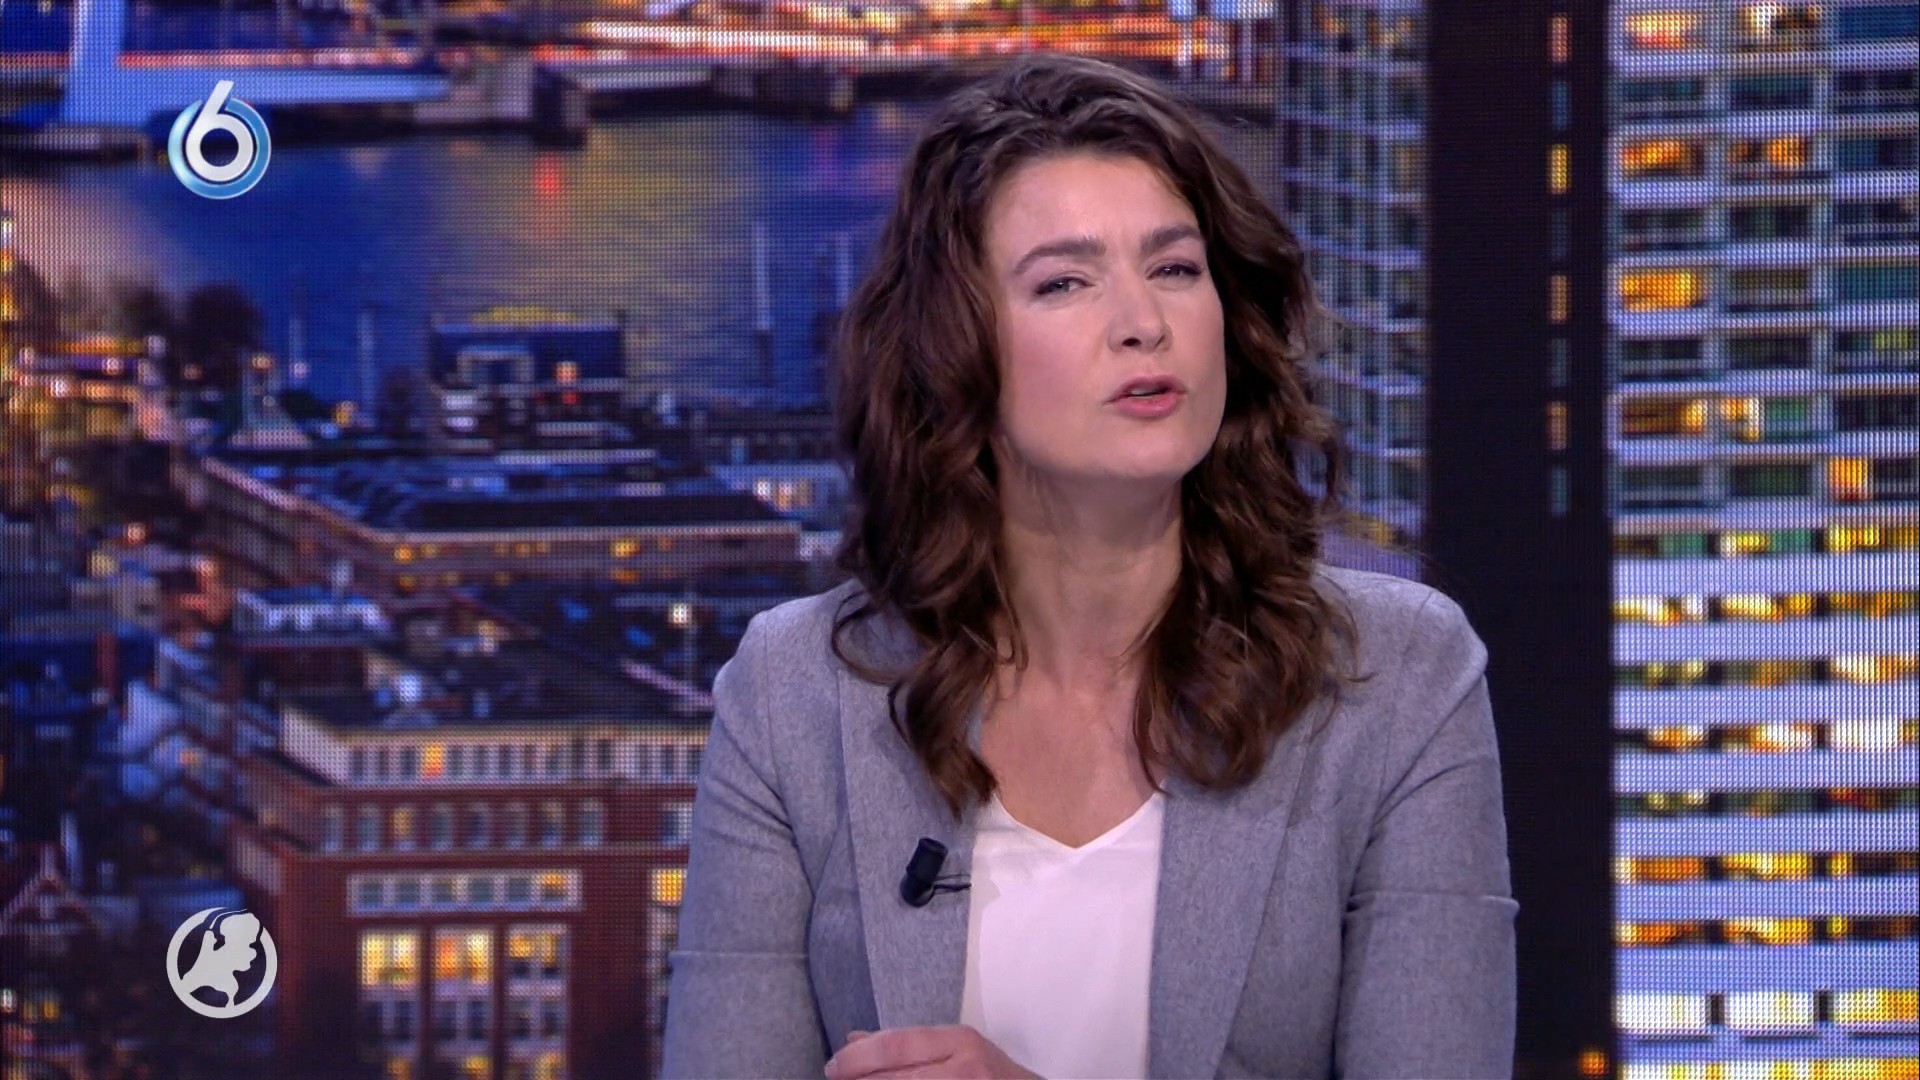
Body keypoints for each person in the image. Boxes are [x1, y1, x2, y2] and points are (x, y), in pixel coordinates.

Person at [660, 53, 1517, 1080]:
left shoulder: (1398, 676)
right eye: (1064, 282)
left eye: (1176, 268)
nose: (1143, 323)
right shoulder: (794, 691)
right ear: (955, 349)